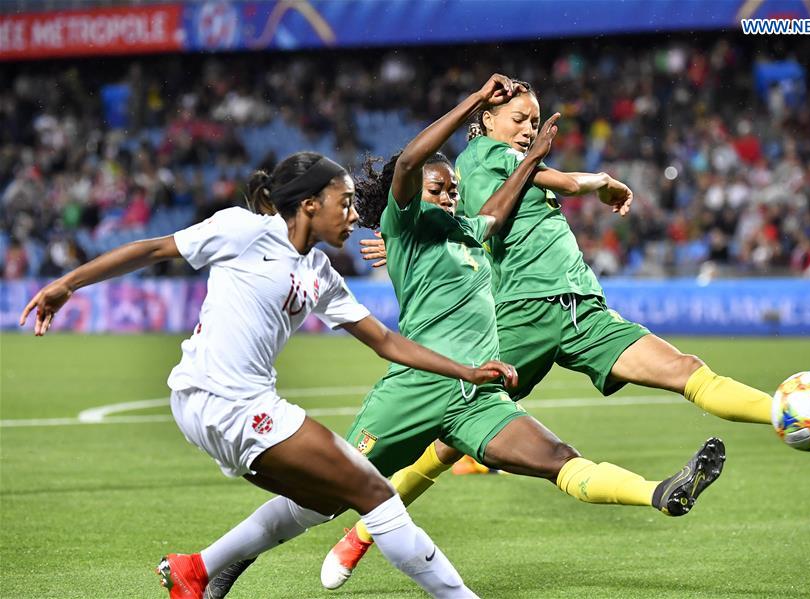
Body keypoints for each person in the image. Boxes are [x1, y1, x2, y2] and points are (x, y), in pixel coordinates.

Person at [310, 79, 810, 590]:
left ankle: (787, 409)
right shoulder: (479, 157)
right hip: (519, 317)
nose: (529, 128)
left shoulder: (509, 166)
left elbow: (479, 215)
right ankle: (361, 533)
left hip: (582, 311)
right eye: (519, 118)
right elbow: (549, 187)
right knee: (447, 438)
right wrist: (600, 181)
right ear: (486, 120)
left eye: (535, 120)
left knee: (685, 370)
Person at [204, 75, 727, 599]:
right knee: (325, 496)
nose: (449, 196)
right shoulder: (404, 227)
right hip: (412, 393)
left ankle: (660, 493)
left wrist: (530, 158)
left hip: (475, 398)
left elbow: (496, 212)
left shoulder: (469, 232)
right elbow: (409, 163)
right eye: (437, 189)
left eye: (453, 190)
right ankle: (227, 560)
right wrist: (475, 101)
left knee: (559, 458)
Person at [20, 151, 523, 599]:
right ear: (309, 204)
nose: (354, 216)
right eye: (345, 203)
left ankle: (195, 570)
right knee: (376, 492)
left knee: (326, 499)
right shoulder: (243, 230)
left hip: (222, 405)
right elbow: (154, 249)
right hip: (225, 400)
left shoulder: (320, 272)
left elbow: (385, 342)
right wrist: (69, 283)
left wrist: (466, 371)